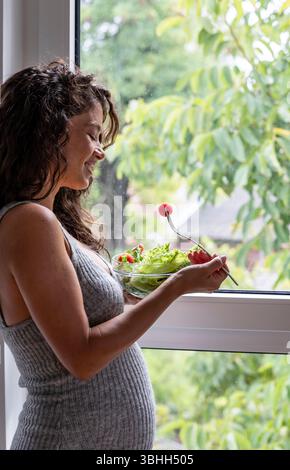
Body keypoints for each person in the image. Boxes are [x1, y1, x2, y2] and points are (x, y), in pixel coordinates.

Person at [0, 60, 228, 450]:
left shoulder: (47, 219)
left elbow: (76, 310)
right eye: (91, 134)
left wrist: (140, 284)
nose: (100, 151)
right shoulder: (29, 223)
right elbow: (83, 358)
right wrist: (175, 287)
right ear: (49, 132)